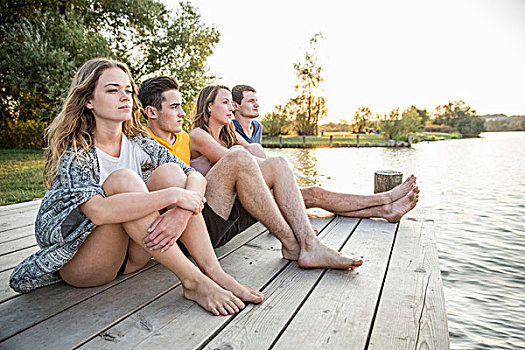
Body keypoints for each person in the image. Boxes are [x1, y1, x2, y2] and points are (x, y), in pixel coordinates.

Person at [9, 59, 264, 316]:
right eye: (112, 90)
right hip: (88, 262)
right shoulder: (78, 151)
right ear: (88, 100)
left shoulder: (138, 141)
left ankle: (214, 272)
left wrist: (181, 211)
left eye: (128, 91)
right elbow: (98, 212)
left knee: (171, 172)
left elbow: (194, 176)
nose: (124, 97)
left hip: (135, 256)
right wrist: (174, 196)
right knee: (125, 180)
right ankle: (193, 281)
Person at [188, 85, 364, 270]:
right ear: (209, 106)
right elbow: (243, 163)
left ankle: (309, 243)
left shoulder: (229, 134)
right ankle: (293, 241)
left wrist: (279, 177)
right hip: (209, 219)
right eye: (225, 103)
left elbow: (256, 159)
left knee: (276, 161)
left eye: (231, 103)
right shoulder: (198, 135)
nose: (232, 108)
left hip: (232, 216)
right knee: (240, 154)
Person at [231, 84, 419, 222]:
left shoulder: (257, 127)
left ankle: (385, 210)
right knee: (315, 194)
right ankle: (385, 200)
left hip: (268, 190)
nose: (257, 104)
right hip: (252, 199)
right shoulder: (230, 129)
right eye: (251, 101)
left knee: (318, 197)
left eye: (257, 100)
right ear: (236, 106)